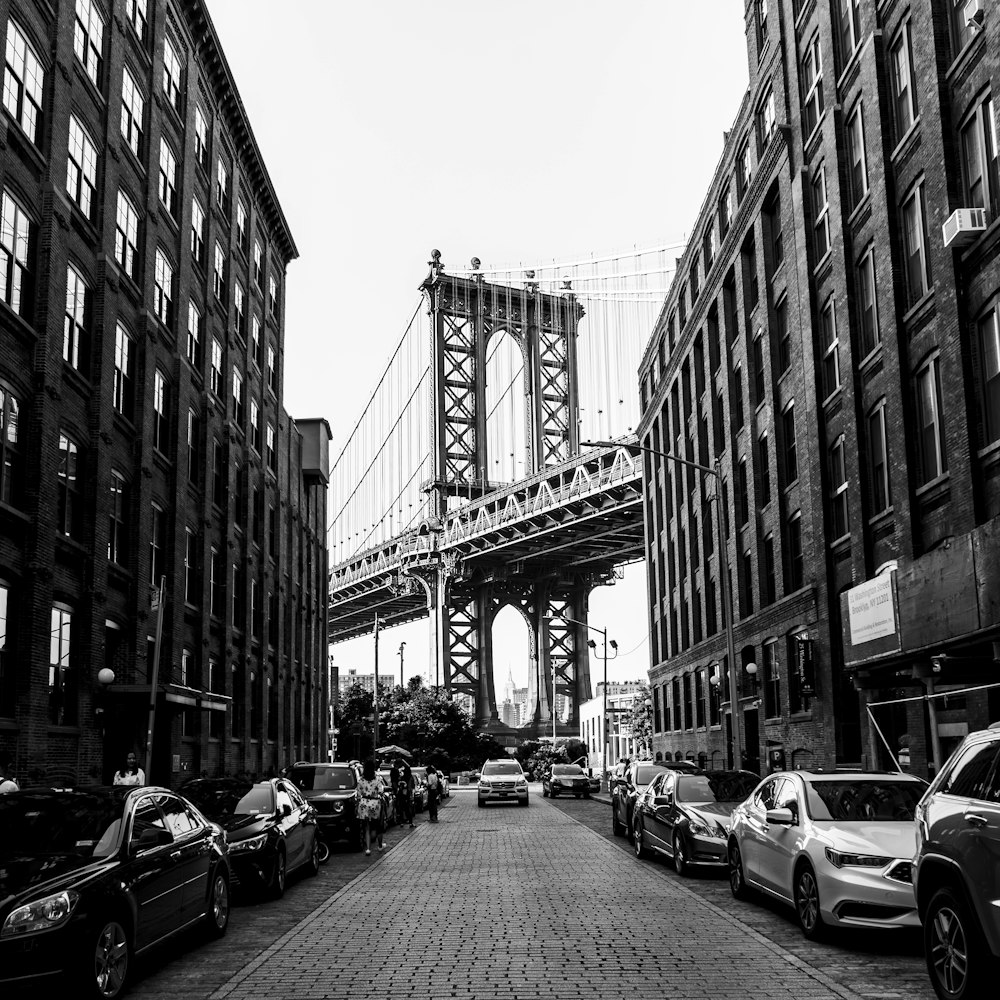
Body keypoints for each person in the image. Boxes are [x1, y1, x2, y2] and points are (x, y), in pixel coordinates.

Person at [356, 758, 385, 856]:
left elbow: (358, 793)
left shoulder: (361, 780)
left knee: (366, 827)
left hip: (364, 803)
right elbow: (381, 791)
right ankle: (380, 845)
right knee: (377, 826)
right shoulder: (377, 779)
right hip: (375, 803)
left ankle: (368, 848)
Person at [394, 758, 415, 828]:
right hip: (406, 793)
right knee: (407, 808)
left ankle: (402, 822)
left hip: (400, 793)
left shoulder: (399, 775)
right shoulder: (408, 775)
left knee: (401, 808)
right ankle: (410, 822)